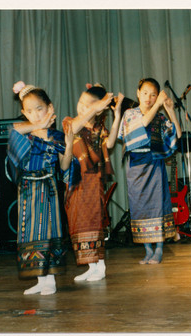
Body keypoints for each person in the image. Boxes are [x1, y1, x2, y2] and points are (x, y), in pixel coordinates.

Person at [8, 81, 76, 295]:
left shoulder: (56, 137)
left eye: (40, 109)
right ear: (23, 113)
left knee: (48, 230)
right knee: (30, 232)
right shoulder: (24, 134)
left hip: (47, 187)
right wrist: (39, 125)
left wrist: (70, 143)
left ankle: (50, 281)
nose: (36, 114)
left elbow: (64, 166)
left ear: (50, 108)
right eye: (29, 111)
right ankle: (40, 279)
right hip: (27, 189)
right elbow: (14, 131)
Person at [62, 84, 124, 282]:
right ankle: (91, 266)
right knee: (77, 222)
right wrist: (93, 108)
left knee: (92, 221)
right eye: (81, 103)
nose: (82, 108)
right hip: (75, 181)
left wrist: (117, 115)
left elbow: (111, 143)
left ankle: (100, 265)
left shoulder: (99, 128)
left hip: (93, 181)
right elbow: (72, 130)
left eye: (88, 105)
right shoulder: (70, 122)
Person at [118, 78, 182, 264]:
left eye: (153, 94)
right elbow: (143, 123)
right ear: (138, 93)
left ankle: (159, 250)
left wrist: (169, 109)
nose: (149, 97)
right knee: (139, 208)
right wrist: (159, 105)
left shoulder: (160, 117)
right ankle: (147, 250)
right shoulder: (130, 113)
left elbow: (177, 135)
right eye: (145, 93)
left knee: (158, 207)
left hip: (155, 164)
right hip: (136, 166)